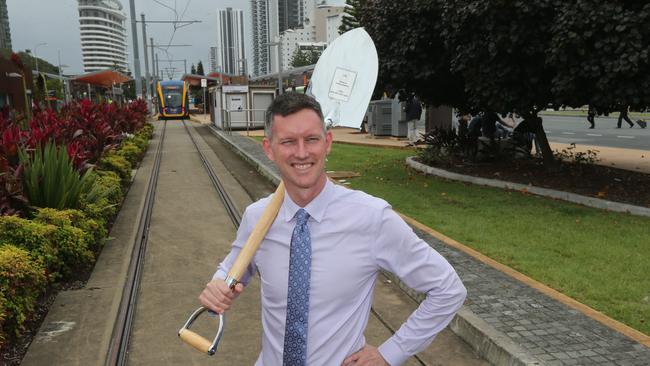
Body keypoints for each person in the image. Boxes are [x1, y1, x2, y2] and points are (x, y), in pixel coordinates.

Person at [198, 93, 467, 366]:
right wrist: (218, 284)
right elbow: (233, 270)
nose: (302, 153)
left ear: (327, 143)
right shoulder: (257, 218)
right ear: (269, 149)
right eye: (289, 141)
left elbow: (448, 289)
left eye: (311, 139)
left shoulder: (372, 218)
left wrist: (391, 353)